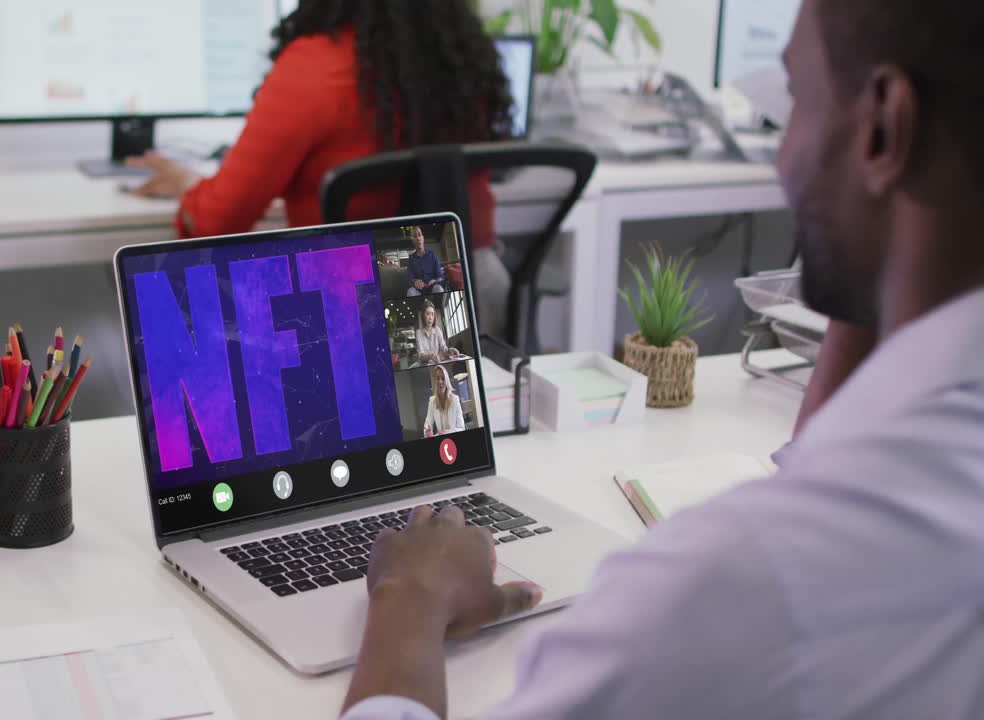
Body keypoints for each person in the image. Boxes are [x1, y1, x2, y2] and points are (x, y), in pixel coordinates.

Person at [341, 0, 984, 717]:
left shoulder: (726, 590)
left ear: (882, 128)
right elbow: (833, 472)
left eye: (797, 99)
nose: (782, 154)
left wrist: (409, 598)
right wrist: (881, 271)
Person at [128, 0, 516, 339]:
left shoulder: (315, 66)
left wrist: (188, 185)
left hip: (350, 311)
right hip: (475, 296)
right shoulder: (461, 61)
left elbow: (218, 220)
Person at [422, 365, 465, 438]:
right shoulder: (432, 401)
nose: (440, 381)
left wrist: (450, 431)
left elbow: (461, 428)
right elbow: (427, 426)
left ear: (447, 381)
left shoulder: (455, 399)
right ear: (435, 381)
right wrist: (428, 433)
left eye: (443, 378)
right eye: (437, 378)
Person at [414, 301, 461, 367]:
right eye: (427, 314)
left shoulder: (437, 330)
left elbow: (444, 348)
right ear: (423, 316)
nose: (430, 317)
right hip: (425, 366)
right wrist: (431, 356)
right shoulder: (418, 332)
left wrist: (450, 351)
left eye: (432, 314)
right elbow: (420, 355)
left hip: (437, 364)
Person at [406, 227, 445, 297]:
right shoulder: (411, 259)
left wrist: (435, 280)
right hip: (419, 290)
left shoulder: (433, 255)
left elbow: (440, 276)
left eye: (419, 235)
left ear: (423, 238)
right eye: (415, 236)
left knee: (439, 289)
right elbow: (410, 278)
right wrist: (415, 281)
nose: (418, 238)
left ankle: (438, 307)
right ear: (413, 241)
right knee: (410, 292)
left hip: (433, 287)